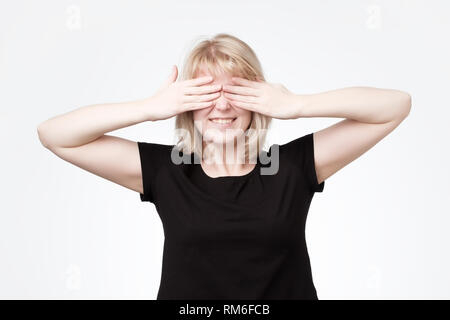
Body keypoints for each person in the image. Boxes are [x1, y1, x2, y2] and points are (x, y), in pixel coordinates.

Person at [37, 33, 412, 300]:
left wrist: (296, 105)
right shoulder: (169, 170)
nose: (221, 107)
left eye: (234, 93)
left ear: (256, 101)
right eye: (205, 93)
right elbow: (55, 134)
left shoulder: (289, 166)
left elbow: (394, 106)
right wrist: (149, 109)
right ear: (186, 102)